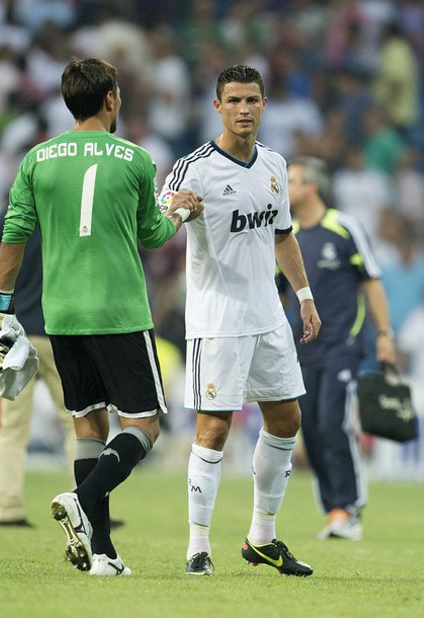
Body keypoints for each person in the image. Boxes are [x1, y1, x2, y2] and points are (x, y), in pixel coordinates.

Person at [0, 58, 203, 576]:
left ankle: (102, 554)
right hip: (118, 310)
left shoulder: (37, 159)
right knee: (144, 425)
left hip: (59, 314)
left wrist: (2, 306)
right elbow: (152, 235)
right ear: (110, 100)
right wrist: (181, 210)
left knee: (87, 426)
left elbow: (13, 232)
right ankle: (84, 499)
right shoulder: (134, 158)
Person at [159, 64, 321, 577]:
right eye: (233, 101)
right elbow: (162, 224)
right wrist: (176, 211)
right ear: (217, 107)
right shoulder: (195, 168)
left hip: (268, 316)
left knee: (286, 419)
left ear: (265, 104)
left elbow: (282, 235)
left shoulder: (274, 163)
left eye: (252, 100)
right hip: (217, 318)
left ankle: (262, 538)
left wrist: (305, 295)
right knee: (214, 428)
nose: (244, 110)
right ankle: (198, 547)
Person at [285, 156, 396, 540]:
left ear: (312, 185)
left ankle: (348, 508)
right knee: (311, 429)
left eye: (292, 180)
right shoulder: (287, 235)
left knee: (334, 422)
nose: (285, 187)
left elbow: (372, 281)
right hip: (301, 350)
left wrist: (384, 335)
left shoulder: (344, 227)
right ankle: (333, 508)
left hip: (342, 346)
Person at [0, 210, 76, 526]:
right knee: (77, 421)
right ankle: (86, 502)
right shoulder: (67, 213)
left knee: (11, 426)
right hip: (61, 332)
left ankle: (8, 508)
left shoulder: (6, 217)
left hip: (12, 332)